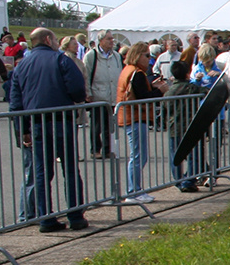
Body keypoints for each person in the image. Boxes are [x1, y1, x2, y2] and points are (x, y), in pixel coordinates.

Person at [9, 28, 88, 232]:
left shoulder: (21, 65)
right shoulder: (61, 60)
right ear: (48, 39)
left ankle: (46, 218)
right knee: (70, 169)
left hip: (36, 123)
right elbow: (78, 89)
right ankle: (75, 214)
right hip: (61, 120)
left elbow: (15, 102)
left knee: (42, 172)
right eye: (54, 39)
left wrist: (22, 130)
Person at [116, 41, 164, 204]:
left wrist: (152, 87)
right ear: (138, 56)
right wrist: (159, 91)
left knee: (138, 155)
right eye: (147, 56)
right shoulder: (136, 73)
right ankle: (133, 191)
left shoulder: (129, 70)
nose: (149, 59)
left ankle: (135, 189)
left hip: (133, 117)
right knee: (138, 156)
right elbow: (143, 97)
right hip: (135, 117)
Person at [164, 60, 204, 192]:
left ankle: (179, 180)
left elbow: (164, 110)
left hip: (173, 127)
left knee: (175, 156)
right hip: (189, 127)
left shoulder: (169, 92)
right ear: (188, 74)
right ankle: (188, 180)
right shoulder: (191, 88)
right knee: (195, 155)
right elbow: (206, 91)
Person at [83, 33, 123, 158]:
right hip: (98, 95)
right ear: (100, 40)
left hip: (112, 96)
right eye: (109, 39)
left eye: (112, 39)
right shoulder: (91, 56)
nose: (112, 41)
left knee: (109, 125)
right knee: (96, 125)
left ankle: (107, 149)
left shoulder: (116, 56)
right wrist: (88, 93)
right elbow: (86, 75)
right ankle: (95, 149)